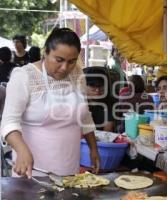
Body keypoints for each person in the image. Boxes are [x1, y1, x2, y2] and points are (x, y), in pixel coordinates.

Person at [1, 28, 100, 178]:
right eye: (59, 60)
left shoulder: (77, 74)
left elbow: (85, 117)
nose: (65, 67)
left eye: (71, 61)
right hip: (33, 169)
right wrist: (21, 150)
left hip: (69, 166)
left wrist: (93, 148)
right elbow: (8, 122)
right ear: (45, 52)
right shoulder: (24, 76)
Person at [83, 67, 116, 132]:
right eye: (93, 85)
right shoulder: (79, 102)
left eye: (101, 85)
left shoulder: (110, 102)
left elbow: (107, 131)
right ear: (84, 86)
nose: (97, 90)